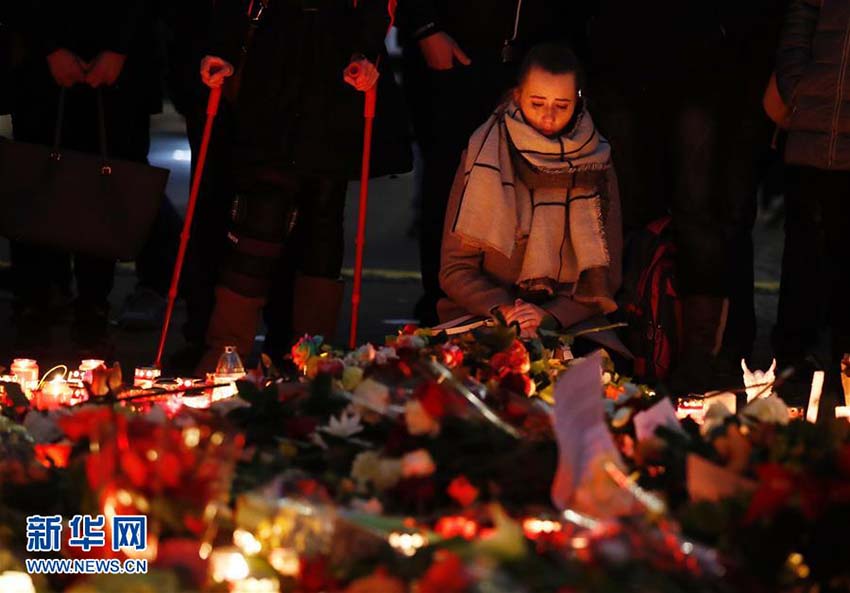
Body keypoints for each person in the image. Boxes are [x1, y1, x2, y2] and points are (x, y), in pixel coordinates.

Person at [588, 1, 785, 393]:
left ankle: (701, 354)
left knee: (700, 211)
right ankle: (642, 338)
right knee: (634, 213)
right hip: (629, 62)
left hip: (708, 68)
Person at [195, 0, 395, 371]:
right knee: (259, 218)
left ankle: (312, 360)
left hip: (335, 70)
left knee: (323, 222)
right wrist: (224, 46)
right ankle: (226, 355)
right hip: (272, 66)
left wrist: (367, 53)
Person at [396, 0, 593, 327]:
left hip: (536, 57)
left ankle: (526, 308)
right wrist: (425, 28)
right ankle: (444, 306)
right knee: (449, 185)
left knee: (534, 180)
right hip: (458, 55)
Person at [9, 0, 161, 357]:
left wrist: (119, 47)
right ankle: (36, 302)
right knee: (39, 176)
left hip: (121, 64)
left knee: (107, 178)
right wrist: (49, 46)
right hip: (43, 62)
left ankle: (92, 304)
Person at [438, 43, 621, 338]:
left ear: (578, 102)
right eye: (537, 103)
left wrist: (549, 316)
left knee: (584, 378)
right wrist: (504, 309)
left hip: (571, 323)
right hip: (486, 316)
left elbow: (606, 276)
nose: (548, 117)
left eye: (561, 106)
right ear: (517, 96)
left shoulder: (596, 162)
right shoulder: (484, 153)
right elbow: (455, 268)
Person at [775, 0, 850, 387]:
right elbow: (799, 19)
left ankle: (843, 367)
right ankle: (791, 362)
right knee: (802, 252)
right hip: (809, 131)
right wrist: (797, 87)